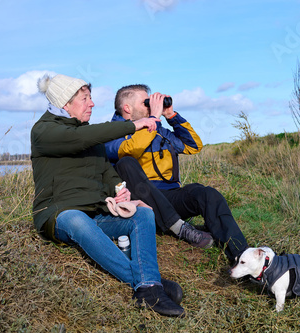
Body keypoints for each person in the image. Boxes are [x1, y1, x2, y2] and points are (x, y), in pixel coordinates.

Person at [31, 74, 185, 317]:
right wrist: (136, 124)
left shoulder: (87, 133)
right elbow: (81, 139)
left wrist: (119, 190)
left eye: (91, 98)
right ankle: (149, 284)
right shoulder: (44, 131)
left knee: (143, 213)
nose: (91, 103)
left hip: (96, 211)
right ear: (65, 103)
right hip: (58, 214)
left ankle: (148, 288)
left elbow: (106, 171)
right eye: (85, 99)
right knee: (76, 219)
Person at [105, 84, 249, 264]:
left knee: (206, 194)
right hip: (142, 202)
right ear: (127, 108)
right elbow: (129, 150)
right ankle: (178, 227)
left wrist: (171, 116)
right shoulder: (111, 133)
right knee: (126, 162)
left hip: (170, 197)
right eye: (146, 103)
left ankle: (243, 255)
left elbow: (193, 146)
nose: (151, 106)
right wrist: (154, 118)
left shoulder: (158, 131)